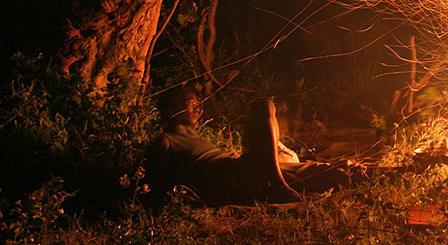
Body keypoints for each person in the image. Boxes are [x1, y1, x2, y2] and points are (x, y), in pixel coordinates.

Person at [147, 85, 354, 205]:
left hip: (241, 167)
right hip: (232, 176)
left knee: (309, 169)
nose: (199, 110)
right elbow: (159, 178)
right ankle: (278, 183)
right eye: (192, 105)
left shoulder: (197, 136)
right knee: (264, 106)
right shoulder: (167, 140)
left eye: (199, 105)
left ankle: (357, 173)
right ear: (174, 109)